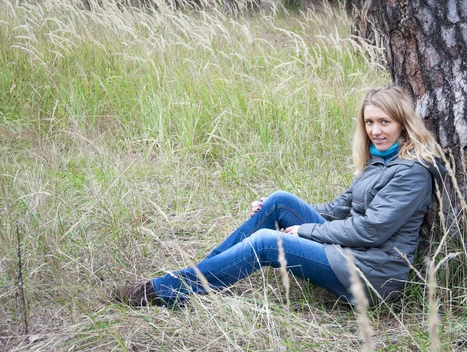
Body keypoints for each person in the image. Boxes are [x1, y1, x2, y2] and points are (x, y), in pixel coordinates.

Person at [113, 85, 446, 307]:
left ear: (403, 123)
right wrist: (278, 212)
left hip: (371, 274)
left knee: (267, 243)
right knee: (279, 200)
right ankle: (201, 274)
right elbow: (336, 209)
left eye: (384, 121)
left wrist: (304, 231)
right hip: (350, 253)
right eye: (370, 122)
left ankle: (165, 290)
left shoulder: (411, 173)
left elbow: (369, 231)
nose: (375, 130)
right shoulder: (379, 161)